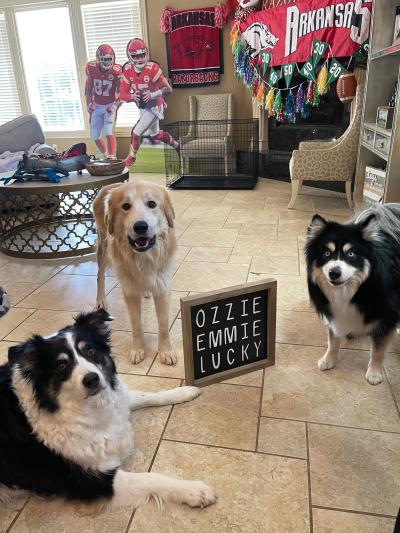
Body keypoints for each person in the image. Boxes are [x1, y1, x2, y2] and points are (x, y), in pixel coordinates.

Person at [120, 38, 179, 166]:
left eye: (142, 55)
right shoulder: (127, 69)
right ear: (130, 56)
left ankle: (131, 158)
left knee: (135, 133)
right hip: (143, 108)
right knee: (155, 135)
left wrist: (152, 94)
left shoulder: (152, 68)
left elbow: (168, 89)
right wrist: (131, 97)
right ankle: (177, 145)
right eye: (136, 56)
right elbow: (122, 95)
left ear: (146, 53)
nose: (140, 59)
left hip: (156, 106)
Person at [85, 44, 122, 159]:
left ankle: (112, 157)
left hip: (109, 105)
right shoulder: (91, 68)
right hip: (97, 105)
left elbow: (122, 93)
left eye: (109, 59)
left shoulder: (116, 71)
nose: (107, 62)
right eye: (104, 59)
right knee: (95, 135)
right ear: (98, 58)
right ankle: (105, 156)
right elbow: (88, 90)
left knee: (108, 132)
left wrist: (115, 106)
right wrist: (89, 104)